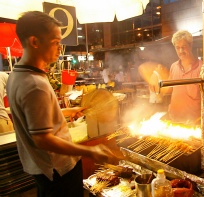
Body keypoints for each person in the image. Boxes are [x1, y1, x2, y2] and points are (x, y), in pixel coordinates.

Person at [7, 11, 123, 197]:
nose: (59, 48)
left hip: (41, 167)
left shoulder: (17, 75)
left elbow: (34, 118)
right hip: (58, 169)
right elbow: (42, 139)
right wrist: (89, 150)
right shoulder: (34, 84)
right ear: (34, 42)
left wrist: (66, 111)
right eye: (55, 42)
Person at [162, 30, 202, 123]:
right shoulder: (174, 66)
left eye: (184, 47)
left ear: (190, 45)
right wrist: (157, 84)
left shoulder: (201, 67)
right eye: (177, 48)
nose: (181, 51)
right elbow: (168, 90)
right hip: (175, 118)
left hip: (194, 120)